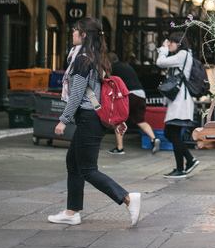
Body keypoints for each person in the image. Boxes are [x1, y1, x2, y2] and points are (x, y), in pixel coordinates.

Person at [48, 18, 141, 227]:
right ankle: (72, 212)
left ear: (84, 35)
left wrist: (63, 120)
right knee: (73, 163)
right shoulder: (96, 58)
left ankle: (127, 198)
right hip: (91, 118)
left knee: (88, 169)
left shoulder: (83, 60)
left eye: (75, 30)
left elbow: (78, 94)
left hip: (89, 118)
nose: (72, 33)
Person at [157, 32, 201, 178]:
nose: (169, 45)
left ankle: (182, 167)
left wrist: (163, 51)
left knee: (172, 134)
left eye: (171, 42)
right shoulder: (183, 55)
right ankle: (188, 161)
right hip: (178, 102)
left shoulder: (183, 55)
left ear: (178, 43)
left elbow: (160, 62)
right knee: (170, 133)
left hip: (180, 103)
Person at [107, 52, 160, 155]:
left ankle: (119, 148)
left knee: (119, 121)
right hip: (141, 94)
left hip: (130, 95)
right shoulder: (126, 66)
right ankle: (154, 139)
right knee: (140, 120)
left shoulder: (113, 69)